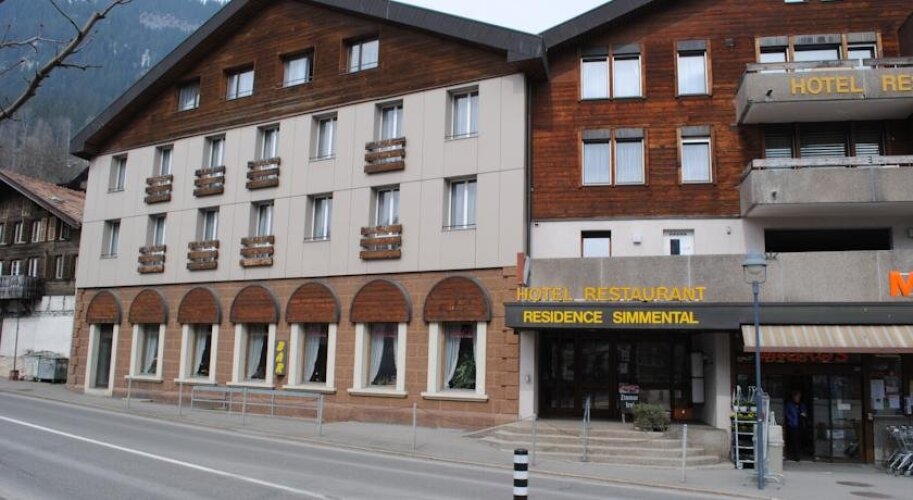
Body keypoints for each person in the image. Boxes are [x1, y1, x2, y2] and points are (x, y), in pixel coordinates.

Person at [785, 390, 807, 462]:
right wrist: (790, 420)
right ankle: (795, 456)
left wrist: (804, 414)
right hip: (793, 425)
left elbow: (805, 412)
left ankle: (798, 454)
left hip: (800, 425)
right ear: (794, 397)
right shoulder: (790, 405)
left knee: (799, 440)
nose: (798, 398)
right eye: (797, 397)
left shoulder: (801, 405)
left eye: (799, 397)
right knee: (794, 440)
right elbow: (787, 414)